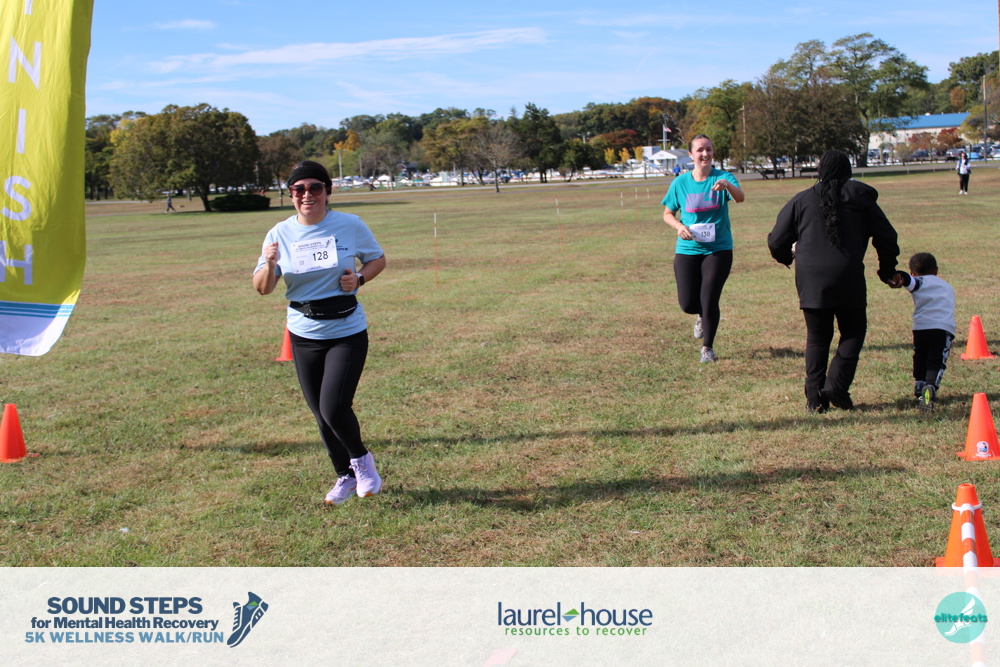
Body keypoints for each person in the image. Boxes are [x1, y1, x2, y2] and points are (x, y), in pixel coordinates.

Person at [253, 160, 387, 505]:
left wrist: (359, 278)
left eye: (315, 187)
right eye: (299, 189)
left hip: (346, 329)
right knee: (321, 415)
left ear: (328, 191)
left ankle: (362, 462)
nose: (307, 194)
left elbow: (377, 259)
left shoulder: (350, 224)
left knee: (333, 407)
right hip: (304, 333)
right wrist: (270, 263)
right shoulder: (279, 233)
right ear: (291, 195)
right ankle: (345, 476)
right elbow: (263, 288)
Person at [768, 149, 900, 413]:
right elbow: (887, 236)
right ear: (848, 171)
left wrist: (787, 257)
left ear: (820, 170)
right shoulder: (862, 200)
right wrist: (887, 270)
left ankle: (814, 398)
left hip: (811, 277)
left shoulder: (802, 200)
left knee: (817, 338)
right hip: (847, 273)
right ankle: (836, 386)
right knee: (853, 332)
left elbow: (776, 240)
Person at [661, 134, 745, 363]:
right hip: (688, 249)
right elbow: (667, 214)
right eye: (699, 150)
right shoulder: (680, 183)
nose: (705, 153)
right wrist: (679, 226)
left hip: (718, 249)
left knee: (709, 299)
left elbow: (740, 198)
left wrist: (728, 185)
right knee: (688, 303)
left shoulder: (723, 177)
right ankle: (699, 315)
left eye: (708, 149)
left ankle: (707, 347)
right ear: (691, 155)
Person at [889, 253, 956, 412]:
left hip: (921, 328)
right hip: (942, 328)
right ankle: (930, 386)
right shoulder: (946, 286)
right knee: (936, 359)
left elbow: (908, 280)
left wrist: (899, 275)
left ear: (913, 272)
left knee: (920, 355)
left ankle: (919, 383)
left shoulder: (918, 282)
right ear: (936, 270)